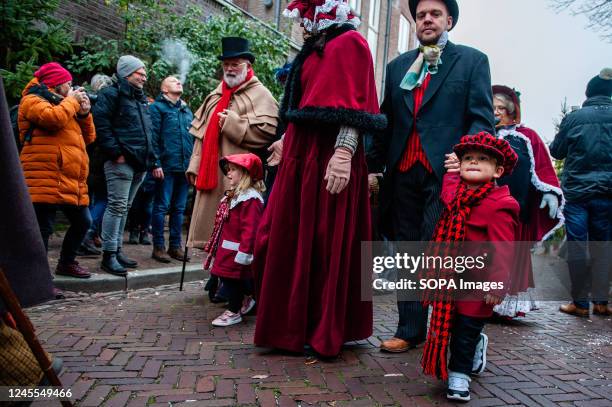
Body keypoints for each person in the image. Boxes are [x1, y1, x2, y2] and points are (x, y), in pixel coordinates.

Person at [254, 0, 386, 358]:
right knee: (291, 236)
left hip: (328, 157)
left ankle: (321, 326)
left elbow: (355, 105)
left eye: (304, 17)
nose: (299, 25)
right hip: (302, 156)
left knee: (325, 239)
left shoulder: (351, 43)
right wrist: (285, 139)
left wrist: (343, 154)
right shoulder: (315, 47)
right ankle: (291, 324)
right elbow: (306, 102)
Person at [367, 0, 496, 353]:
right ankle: (409, 330)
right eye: (421, 14)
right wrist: (370, 166)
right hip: (403, 174)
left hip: (447, 175)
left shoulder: (472, 61)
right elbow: (386, 120)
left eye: (435, 14)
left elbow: (482, 119)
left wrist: (468, 158)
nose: (427, 19)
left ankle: (449, 332)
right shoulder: (396, 68)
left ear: (449, 21)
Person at [423, 132, 519, 401]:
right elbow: (448, 189)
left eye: (482, 159)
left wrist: (497, 284)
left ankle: (459, 377)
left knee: (465, 331)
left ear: (498, 170)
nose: (473, 162)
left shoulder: (501, 205)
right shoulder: (457, 195)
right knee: (452, 325)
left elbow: (504, 251)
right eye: (468, 159)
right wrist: (452, 171)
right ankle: (477, 343)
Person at [186, 37, 279, 249]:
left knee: (233, 234)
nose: (230, 69)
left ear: (248, 66)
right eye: (226, 65)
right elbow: (200, 134)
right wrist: (194, 165)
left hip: (239, 178)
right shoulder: (215, 94)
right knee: (210, 232)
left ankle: (225, 275)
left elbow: (268, 133)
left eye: (235, 64)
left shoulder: (261, 94)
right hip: (210, 172)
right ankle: (215, 270)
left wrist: (234, 124)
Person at [491, 85, 564, 318]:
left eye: (502, 107)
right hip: (484, 209)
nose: (497, 112)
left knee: (510, 254)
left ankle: (504, 305)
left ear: (512, 110)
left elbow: (543, 167)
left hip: (517, 209)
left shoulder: (527, 136)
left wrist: (550, 193)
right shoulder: (482, 132)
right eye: (493, 107)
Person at [18, 62, 96, 279]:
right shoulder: (32, 100)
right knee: (43, 228)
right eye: (68, 83)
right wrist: (72, 102)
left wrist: (84, 114)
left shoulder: (64, 104)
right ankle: (39, 278)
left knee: (83, 221)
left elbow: (89, 138)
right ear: (56, 83)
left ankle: (66, 263)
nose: (72, 88)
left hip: (67, 176)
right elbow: (53, 120)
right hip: (42, 173)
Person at [550, 68, 612, 317]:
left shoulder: (575, 118)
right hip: (608, 192)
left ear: (588, 93)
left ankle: (580, 303)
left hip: (577, 192)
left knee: (577, 245)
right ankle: (601, 302)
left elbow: (557, 150)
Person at [93, 55, 157, 276]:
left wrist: (152, 159)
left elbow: (148, 131)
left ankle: (117, 250)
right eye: (140, 73)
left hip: (140, 164)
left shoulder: (139, 98)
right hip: (121, 162)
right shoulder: (111, 94)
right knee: (117, 206)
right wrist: (116, 153)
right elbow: (101, 125)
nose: (144, 77)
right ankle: (108, 255)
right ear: (126, 73)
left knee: (125, 208)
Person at [204, 153, 264, 327]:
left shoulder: (250, 200)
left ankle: (233, 310)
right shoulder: (235, 196)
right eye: (228, 170)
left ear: (245, 174)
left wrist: (245, 252)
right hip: (227, 250)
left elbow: (250, 230)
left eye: (233, 170)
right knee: (229, 278)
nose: (228, 174)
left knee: (233, 281)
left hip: (237, 252)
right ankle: (247, 299)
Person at [149, 76, 194, 262]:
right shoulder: (157, 108)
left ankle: (175, 247)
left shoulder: (186, 110)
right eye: (173, 81)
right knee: (161, 207)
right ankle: (158, 247)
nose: (179, 82)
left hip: (184, 168)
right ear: (164, 90)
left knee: (179, 208)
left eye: (179, 80)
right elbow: (152, 137)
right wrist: (156, 163)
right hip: (165, 166)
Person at [79, 73, 114, 255]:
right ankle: (86, 234)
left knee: (91, 198)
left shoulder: (86, 101)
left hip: (87, 156)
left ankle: (92, 234)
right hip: (100, 158)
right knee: (103, 199)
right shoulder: (106, 102)